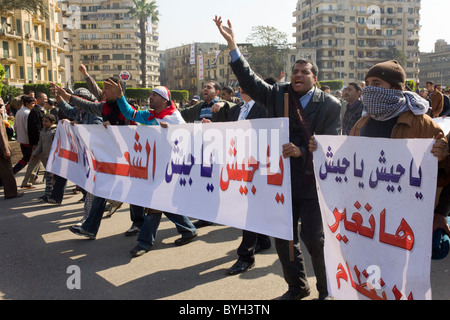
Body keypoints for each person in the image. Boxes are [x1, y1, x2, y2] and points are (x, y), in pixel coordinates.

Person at [215, 16, 341, 300]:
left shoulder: (330, 105)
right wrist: (232, 45)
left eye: (304, 72)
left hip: (311, 185)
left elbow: (330, 145)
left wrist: (302, 150)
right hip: (280, 182)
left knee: (315, 240)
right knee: (283, 237)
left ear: (315, 78)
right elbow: (250, 79)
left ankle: (326, 290)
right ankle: (297, 287)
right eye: (295, 70)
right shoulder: (277, 95)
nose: (298, 75)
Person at [103, 80, 198, 257]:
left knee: (155, 204)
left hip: (170, 170)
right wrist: (120, 96)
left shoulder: (174, 118)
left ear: (164, 100)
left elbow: (185, 142)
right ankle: (188, 229)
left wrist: (169, 132)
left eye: (154, 95)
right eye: (150, 95)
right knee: (161, 203)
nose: (150, 98)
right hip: (154, 167)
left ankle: (144, 242)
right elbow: (129, 113)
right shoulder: (150, 115)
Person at [51, 80, 145, 239]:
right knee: (101, 189)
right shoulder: (103, 106)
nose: (104, 92)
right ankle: (90, 227)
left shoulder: (128, 109)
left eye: (108, 89)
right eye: (104, 89)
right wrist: (66, 96)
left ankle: (140, 222)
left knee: (133, 190)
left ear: (117, 91)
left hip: (130, 157)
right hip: (112, 156)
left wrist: (115, 130)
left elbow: (135, 133)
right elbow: (87, 105)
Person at [206, 87, 271, 275]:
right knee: (248, 208)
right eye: (240, 87)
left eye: (246, 84)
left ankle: (245, 256)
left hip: (256, 166)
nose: (242, 89)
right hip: (236, 166)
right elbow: (226, 133)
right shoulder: (235, 110)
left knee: (248, 211)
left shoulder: (265, 109)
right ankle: (263, 240)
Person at [180, 80, 235, 228]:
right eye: (204, 87)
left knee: (220, 184)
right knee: (204, 184)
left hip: (218, 152)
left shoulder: (223, 106)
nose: (205, 89)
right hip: (201, 152)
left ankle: (225, 213)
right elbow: (180, 115)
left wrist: (224, 103)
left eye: (209, 87)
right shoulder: (200, 106)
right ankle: (207, 216)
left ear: (217, 92)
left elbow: (236, 107)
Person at [21, 92, 47, 188]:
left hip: (39, 143)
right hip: (39, 143)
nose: (46, 100)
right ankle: (53, 183)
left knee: (33, 163)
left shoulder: (39, 110)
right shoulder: (35, 112)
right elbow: (35, 128)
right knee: (48, 164)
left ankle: (26, 182)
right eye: (44, 98)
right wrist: (39, 142)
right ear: (38, 99)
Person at [31, 114, 57, 201]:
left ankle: (49, 194)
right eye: (43, 121)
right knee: (50, 177)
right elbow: (40, 145)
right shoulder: (43, 131)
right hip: (46, 157)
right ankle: (50, 194)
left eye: (46, 121)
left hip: (54, 158)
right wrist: (34, 154)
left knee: (51, 177)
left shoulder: (55, 131)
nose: (44, 123)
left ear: (52, 122)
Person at [0, 104, 24, 199]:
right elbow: (1, 135)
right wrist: (6, 149)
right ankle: (11, 192)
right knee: (7, 171)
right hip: (1, 149)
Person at [12, 96, 35, 175]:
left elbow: (15, 126)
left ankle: (13, 172)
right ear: (26, 103)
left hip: (21, 139)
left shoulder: (19, 112)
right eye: (32, 103)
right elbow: (28, 128)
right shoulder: (28, 113)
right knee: (32, 159)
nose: (34, 105)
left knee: (26, 158)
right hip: (28, 140)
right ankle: (13, 172)